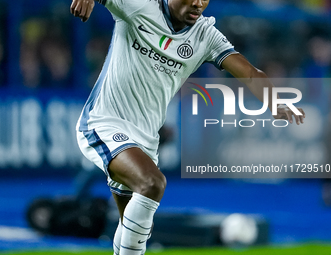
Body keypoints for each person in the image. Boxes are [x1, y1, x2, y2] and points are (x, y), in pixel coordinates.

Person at [70, 0, 305, 254]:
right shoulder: (139, 5)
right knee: (152, 184)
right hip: (104, 122)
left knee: (132, 227)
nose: (198, 3)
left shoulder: (205, 36)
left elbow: (249, 72)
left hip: (146, 141)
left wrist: (274, 100)